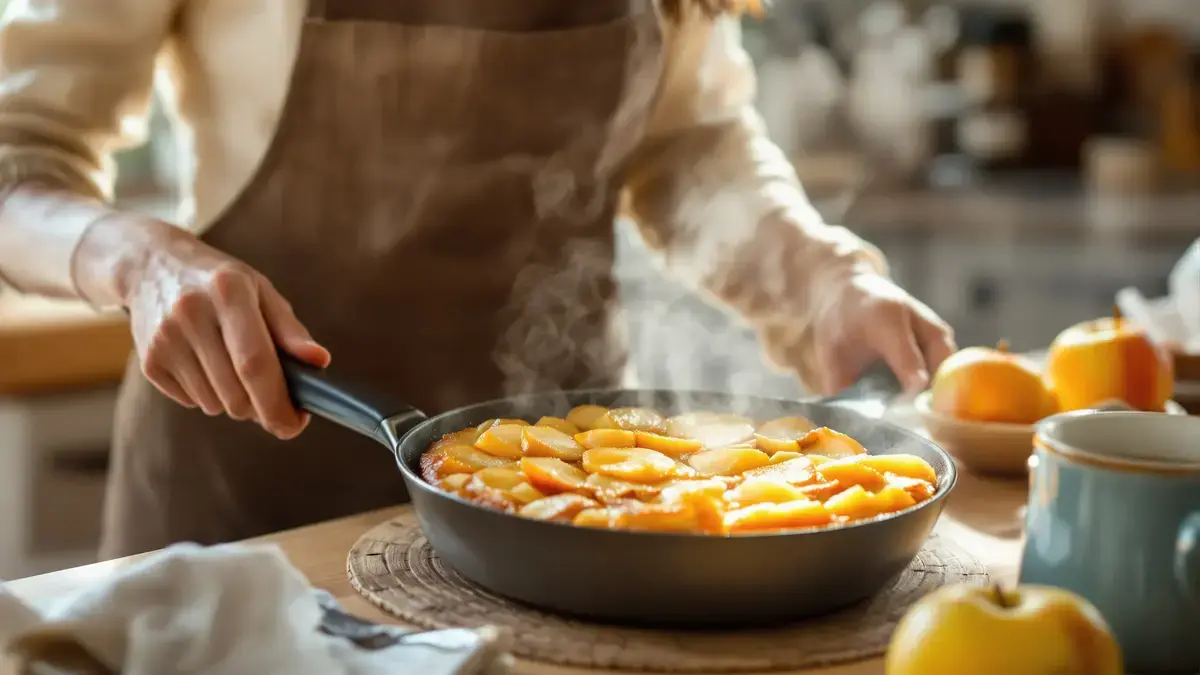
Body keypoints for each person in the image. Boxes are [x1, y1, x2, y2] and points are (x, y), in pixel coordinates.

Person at [0, 0, 957, 559]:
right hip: (247, 501)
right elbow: (17, 155)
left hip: (583, 521)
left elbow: (690, 141)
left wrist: (822, 282)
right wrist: (139, 259)